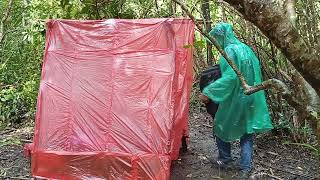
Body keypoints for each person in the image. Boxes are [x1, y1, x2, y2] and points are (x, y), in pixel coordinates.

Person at [199, 22, 273, 178]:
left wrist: (209, 92)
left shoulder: (229, 51)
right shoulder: (246, 48)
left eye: (217, 38)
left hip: (237, 98)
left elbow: (230, 78)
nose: (217, 41)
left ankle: (225, 159)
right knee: (247, 131)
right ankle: (245, 168)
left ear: (222, 36)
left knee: (220, 124)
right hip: (252, 96)